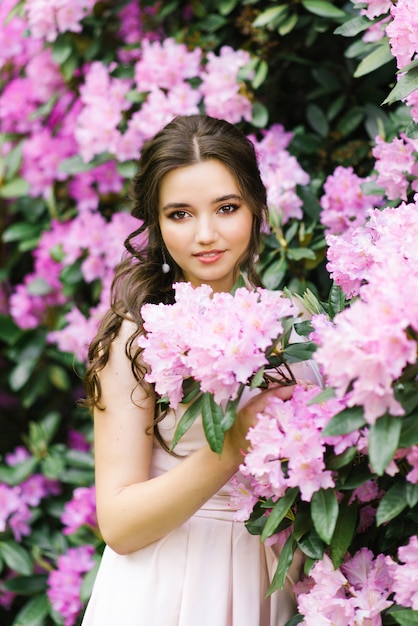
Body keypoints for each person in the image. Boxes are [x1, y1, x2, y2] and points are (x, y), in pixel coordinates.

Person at [81, 115, 314, 626]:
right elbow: (118, 524)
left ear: (256, 208)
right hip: (170, 586)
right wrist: (229, 447)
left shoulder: (296, 328)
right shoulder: (135, 338)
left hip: (271, 581)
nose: (205, 234)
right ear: (157, 225)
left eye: (226, 208)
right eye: (180, 214)